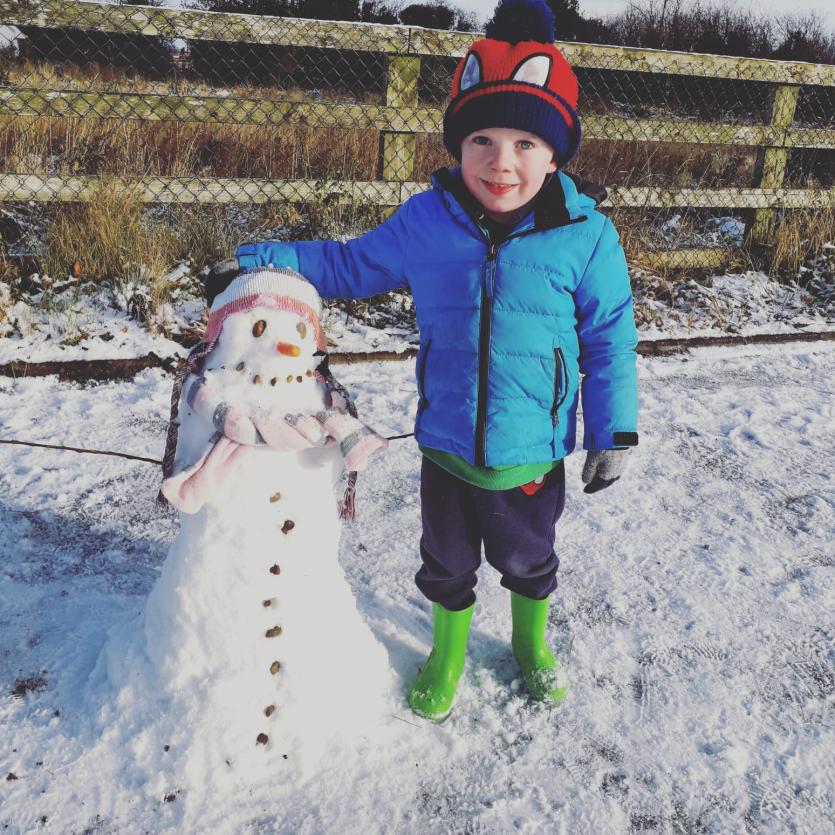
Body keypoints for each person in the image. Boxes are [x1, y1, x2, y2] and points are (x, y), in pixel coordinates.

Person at [210, 0, 638, 721]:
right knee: (445, 563)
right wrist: (253, 262)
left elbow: (609, 337)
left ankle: (530, 644)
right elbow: (348, 265)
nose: (501, 163)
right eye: (480, 140)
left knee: (528, 559)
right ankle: (447, 651)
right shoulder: (426, 219)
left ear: (556, 152)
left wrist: (612, 429)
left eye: (524, 145)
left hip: (531, 453)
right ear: (456, 145)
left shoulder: (585, 237)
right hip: (443, 444)